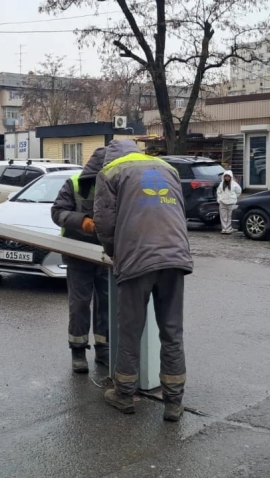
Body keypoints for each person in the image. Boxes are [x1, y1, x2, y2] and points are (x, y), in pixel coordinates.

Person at [93, 139, 193, 422]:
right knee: (172, 330)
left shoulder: (110, 172)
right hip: (175, 255)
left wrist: (113, 252)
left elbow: (104, 222)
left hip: (137, 258)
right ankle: (174, 401)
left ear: (110, 157)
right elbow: (178, 211)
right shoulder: (167, 168)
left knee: (130, 329)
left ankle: (124, 394)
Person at [51, 148, 110, 374]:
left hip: (107, 255)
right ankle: (78, 350)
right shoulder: (74, 183)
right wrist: (81, 221)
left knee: (107, 304)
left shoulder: (116, 183)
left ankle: (104, 349)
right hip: (78, 254)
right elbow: (57, 212)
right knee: (79, 304)